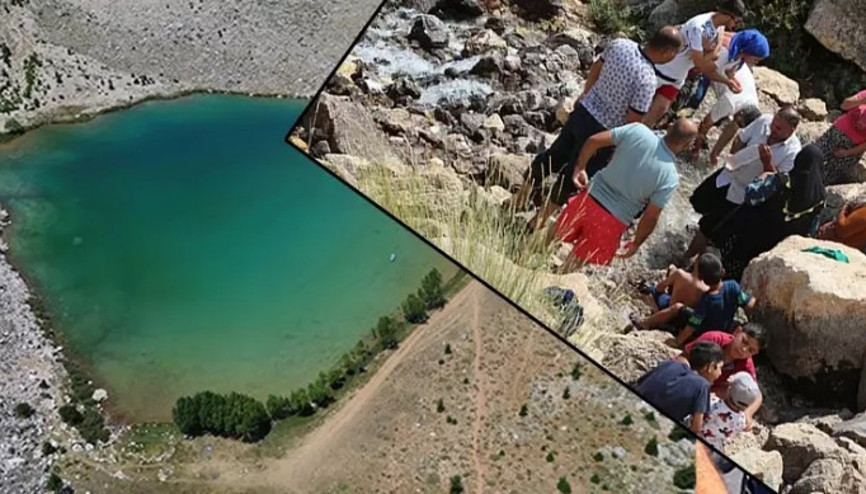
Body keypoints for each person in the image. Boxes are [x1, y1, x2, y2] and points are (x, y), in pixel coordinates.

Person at [511, 26, 685, 231]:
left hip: (583, 113)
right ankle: (533, 225)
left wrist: (586, 94)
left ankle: (518, 199)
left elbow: (596, 68)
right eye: (674, 54)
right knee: (572, 179)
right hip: (602, 133)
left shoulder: (621, 45)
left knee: (553, 156)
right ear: (667, 52)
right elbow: (632, 123)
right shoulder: (647, 79)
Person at [553, 118, 698, 271]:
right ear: (687, 145)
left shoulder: (637, 131)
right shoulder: (670, 177)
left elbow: (593, 140)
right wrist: (636, 243)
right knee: (572, 266)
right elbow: (650, 216)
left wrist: (580, 167)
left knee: (551, 238)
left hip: (588, 199)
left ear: (669, 127)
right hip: (612, 221)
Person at [683, 107, 803, 264]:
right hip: (728, 175)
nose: (773, 129)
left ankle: (691, 260)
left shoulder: (793, 151)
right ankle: (689, 236)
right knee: (699, 202)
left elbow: (777, 182)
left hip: (742, 194)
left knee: (713, 228)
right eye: (774, 124)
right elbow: (741, 137)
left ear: (791, 130)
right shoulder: (764, 121)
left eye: (779, 128)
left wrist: (767, 162)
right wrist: (735, 155)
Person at [716, 144, 826, 280]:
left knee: (718, 268)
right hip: (770, 252)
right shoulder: (820, 199)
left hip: (746, 235)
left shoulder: (783, 181)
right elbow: (811, 231)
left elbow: (751, 195)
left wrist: (764, 175)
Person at [644, 0, 747, 128]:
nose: (735, 26)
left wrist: (716, 50)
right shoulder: (699, 27)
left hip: (677, 78)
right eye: (736, 21)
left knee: (658, 111)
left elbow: (719, 36)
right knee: (639, 106)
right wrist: (713, 54)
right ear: (727, 16)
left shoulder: (717, 23)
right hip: (661, 71)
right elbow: (699, 63)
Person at [634, 252, 756, 345]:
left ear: (701, 278)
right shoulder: (733, 286)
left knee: (677, 307)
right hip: (724, 328)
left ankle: (644, 323)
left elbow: (693, 325)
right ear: (723, 271)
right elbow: (749, 304)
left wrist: (677, 341)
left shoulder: (707, 299)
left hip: (704, 331)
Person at [689, 30, 769, 161]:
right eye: (756, 59)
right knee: (694, 102)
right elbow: (705, 123)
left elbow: (733, 128)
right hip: (708, 70)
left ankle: (701, 140)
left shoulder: (752, 105)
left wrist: (715, 153)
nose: (757, 63)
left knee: (719, 120)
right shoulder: (731, 103)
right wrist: (695, 151)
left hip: (724, 72)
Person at [679, 324, 766, 425]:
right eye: (744, 341)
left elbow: (757, 394)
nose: (744, 350)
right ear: (737, 331)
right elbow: (683, 358)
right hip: (686, 383)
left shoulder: (746, 364)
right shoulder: (714, 339)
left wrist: (747, 414)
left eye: (751, 350)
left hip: (706, 396)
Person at [635, 340, 725, 433]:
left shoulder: (671, 364)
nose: (720, 373)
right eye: (720, 368)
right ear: (710, 367)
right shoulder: (702, 385)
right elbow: (696, 428)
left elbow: (640, 382)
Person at [813, 88, 866, 185]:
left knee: (826, 174)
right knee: (813, 155)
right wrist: (861, 101)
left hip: (852, 147)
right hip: (837, 132)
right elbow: (844, 105)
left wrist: (847, 153)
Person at [698, 371, 761, 452]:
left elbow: (702, 414)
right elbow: (742, 428)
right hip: (715, 445)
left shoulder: (714, 404)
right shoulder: (741, 420)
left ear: (728, 390)